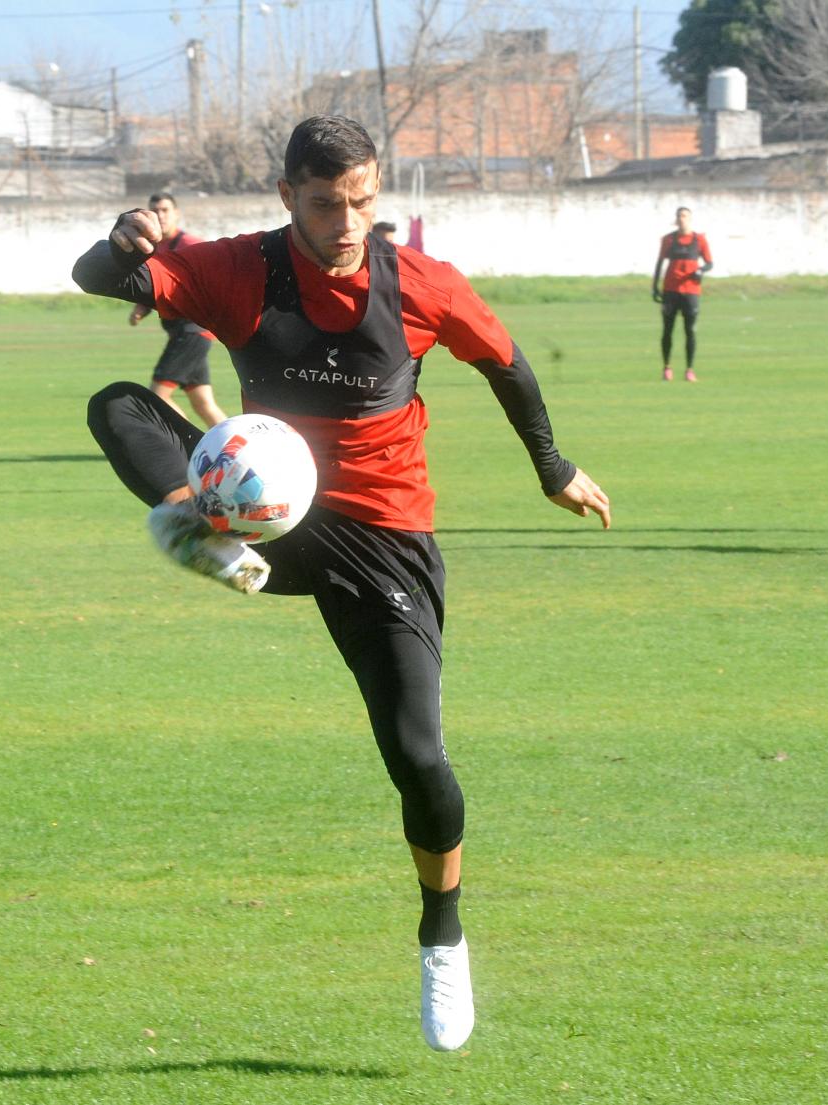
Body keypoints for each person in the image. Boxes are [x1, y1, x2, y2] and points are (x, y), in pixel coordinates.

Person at [72, 115, 611, 1053]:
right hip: (270, 526)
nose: (349, 220)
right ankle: (190, 524)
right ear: (289, 199)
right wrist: (123, 234)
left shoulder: (421, 286)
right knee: (116, 402)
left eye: (363, 199)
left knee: (417, 756)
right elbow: (100, 278)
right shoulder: (240, 269)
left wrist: (552, 466)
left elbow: (507, 365)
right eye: (327, 203)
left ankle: (442, 931)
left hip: (381, 539)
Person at [128, 192, 227, 426]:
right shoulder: (153, 247)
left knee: (156, 397)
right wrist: (142, 308)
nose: (160, 215)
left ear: (176, 214)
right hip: (185, 333)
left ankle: (190, 444)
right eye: (155, 211)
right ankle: (238, 448)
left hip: (191, 331)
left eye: (165, 210)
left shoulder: (191, 245)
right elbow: (158, 285)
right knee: (203, 402)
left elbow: (219, 278)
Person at [652, 205, 713, 382]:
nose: (682, 218)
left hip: (691, 291)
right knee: (667, 330)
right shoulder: (669, 240)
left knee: (689, 331)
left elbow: (710, 263)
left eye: (685, 215)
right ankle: (667, 367)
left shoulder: (699, 240)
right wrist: (655, 287)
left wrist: (701, 270)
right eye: (679, 216)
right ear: (676, 219)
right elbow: (659, 263)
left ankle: (689, 369)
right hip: (670, 290)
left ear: (690, 218)